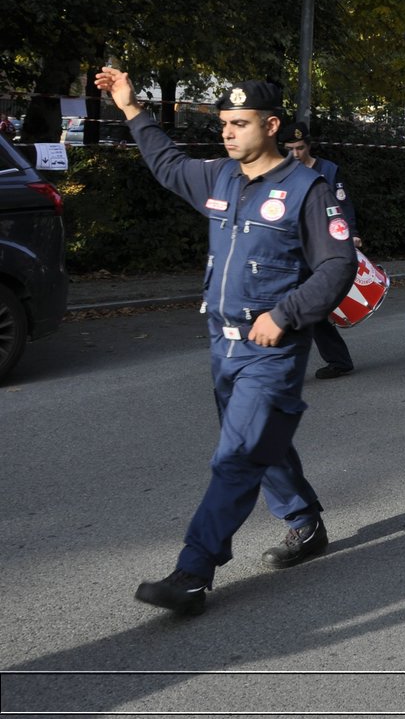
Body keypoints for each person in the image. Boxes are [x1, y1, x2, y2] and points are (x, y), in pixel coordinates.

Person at [94, 69, 357, 616]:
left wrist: (285, 315)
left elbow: (337, 267)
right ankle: (306, 525)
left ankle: (193, 572)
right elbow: (167, 163)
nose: (228, 134)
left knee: (237, 455)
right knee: (263, 443)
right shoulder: (219, 178)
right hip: (223, 345)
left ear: (272, 124)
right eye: (223, 125)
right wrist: (130, 108)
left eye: (240, 124)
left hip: (273, 351)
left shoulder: (308, 189)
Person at [281, 123, 361, 379]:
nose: (296, 154)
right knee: (297, 307)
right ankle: (336, 360)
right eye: (290, 148)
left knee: (307, 307)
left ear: (309, 145)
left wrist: (352, 234)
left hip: (320, 250)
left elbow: (343, 206)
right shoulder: (279, 172)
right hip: (290, 248)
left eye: (300, 147)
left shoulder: (327, 170)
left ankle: (333, 360)